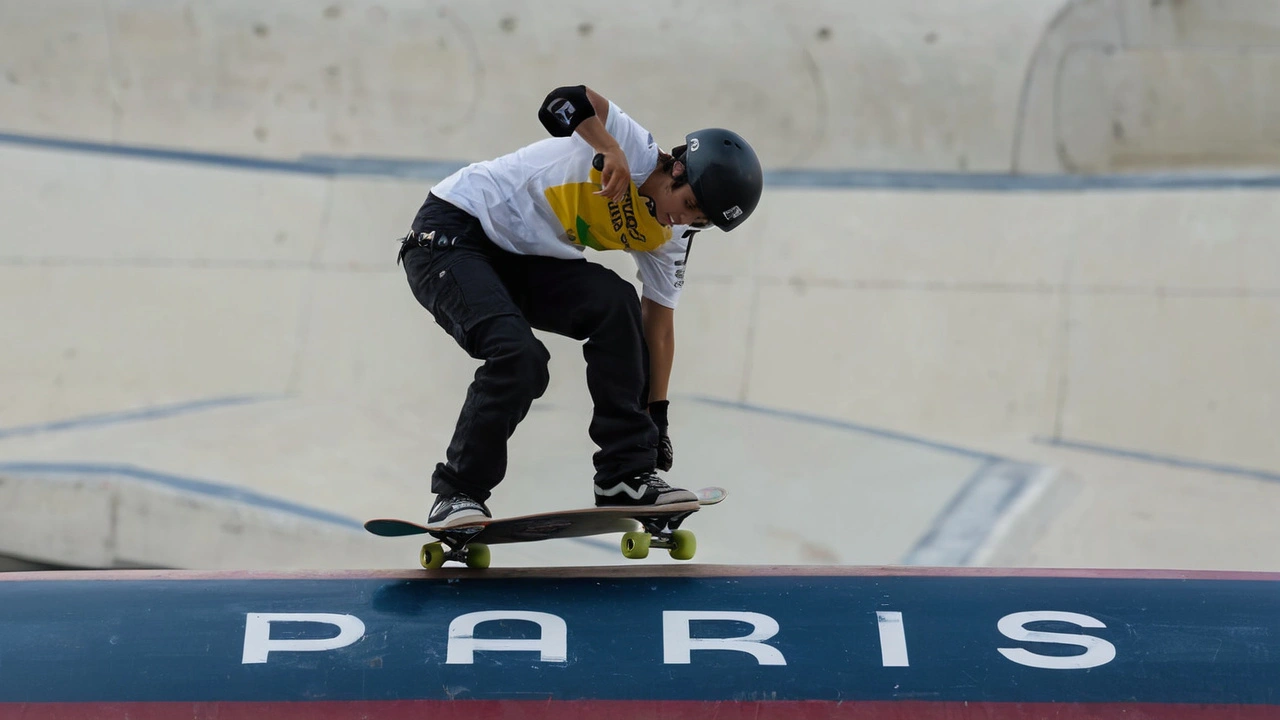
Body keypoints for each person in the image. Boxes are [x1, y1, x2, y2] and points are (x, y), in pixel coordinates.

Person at [398, 84, 763, 527]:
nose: (681, 220)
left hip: (521, 263)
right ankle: (457, 494)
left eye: (698, 222)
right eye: (686, 205)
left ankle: (624, 476)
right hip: (452, 235)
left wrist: (657, 416)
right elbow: (560, 101)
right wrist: (608, 147)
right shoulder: (634, 146)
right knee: (519, 358)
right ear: (678, 168)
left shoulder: (670, 237)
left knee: (615, 304)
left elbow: (659, 325)